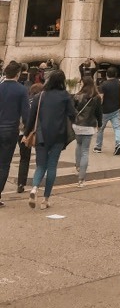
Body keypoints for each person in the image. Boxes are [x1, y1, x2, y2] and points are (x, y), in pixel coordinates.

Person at [24, 69, 76, 210]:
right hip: (58, 135)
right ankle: (45, 200)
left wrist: (26, 133)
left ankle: (34, 188)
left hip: (41, 135)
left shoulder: (40, 96)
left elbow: (31, 118)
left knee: (41, 165)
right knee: (52, 166)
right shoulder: (65, 96)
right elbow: (73, 114)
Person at [0, 60, 30, 206]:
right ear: (18, 74)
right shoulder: (21, 90)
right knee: (4, 163)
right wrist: (27, 132)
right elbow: (26, 115)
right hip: (10, 129)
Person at [72, 76, 102, 186]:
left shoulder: (77, 96)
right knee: (85, 151)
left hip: (77, 125)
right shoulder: (96, 97)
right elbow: (99, 113)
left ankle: (78, 166)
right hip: (89, 126)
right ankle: (81, 179)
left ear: (83, 84)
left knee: (78, 145)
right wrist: (100, 124)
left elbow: (72, 111)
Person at [17, 83, 44, 194]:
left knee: (24, 158)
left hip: (21, 132)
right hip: (36, 133)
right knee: (40, 158)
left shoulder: (25, 100)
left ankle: (21, 183)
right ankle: (36, 183)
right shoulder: (41, 102)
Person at [94, 65, 120, 155]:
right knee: (117, 128)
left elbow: (101, 98)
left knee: (100, 129)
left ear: (107, 74)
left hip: (104, 111)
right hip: (116, 109)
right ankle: (118, 143)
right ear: (116, 74)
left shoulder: (104, 84)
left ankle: (98, 147)